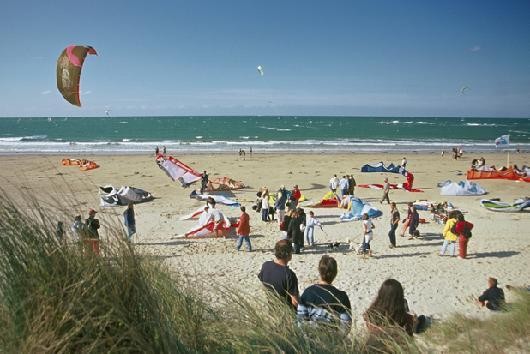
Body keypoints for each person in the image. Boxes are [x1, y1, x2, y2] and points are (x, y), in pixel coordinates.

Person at [297, 255, 352, 332]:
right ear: (335, 273)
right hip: (332, 340)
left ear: (319, 271)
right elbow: (346, 326)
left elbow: (301, 322)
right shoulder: (341, 297)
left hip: (309, 339)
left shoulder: (307, 292)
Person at [258, 240, 299, 310]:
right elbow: (295, 301)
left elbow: (262, 281)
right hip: (286, 311)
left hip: (272, 308)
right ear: (288, 254)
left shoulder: (266, 265)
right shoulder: (289, 275)